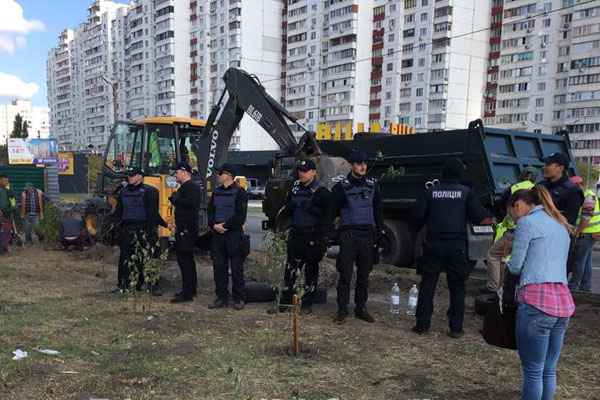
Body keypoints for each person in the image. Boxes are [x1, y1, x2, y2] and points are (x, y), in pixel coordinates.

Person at [506, 185, 575, 400]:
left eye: (512, 215)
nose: (514, 220)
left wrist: (506, 261)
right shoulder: (560, 224)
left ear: (518, 205)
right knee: (548, 369)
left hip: (536, 301)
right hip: (562, 302)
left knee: (533, 371)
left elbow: (516, 266)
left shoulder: (527, 223)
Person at [409, 158, 490, 338]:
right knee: (457, 288)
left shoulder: (430, 192)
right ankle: (456, 328)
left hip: (433, 245)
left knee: (428, 285)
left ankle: (422, 326)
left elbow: (415, 214)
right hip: (456, 247)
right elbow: (479, 216)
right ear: (460, 174)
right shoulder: (465, 193)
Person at [329, 150, 385, 325]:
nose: (363, 166)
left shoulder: (373, 186)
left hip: (367, 236)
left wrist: (380, 235)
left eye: (365, 163)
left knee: (364, 276)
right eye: (359, 163)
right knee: (345, 275)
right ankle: (342, 309)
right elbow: (330, 213)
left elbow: (378, 212)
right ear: (352, 165)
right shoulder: (341, 187)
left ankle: (360, 308)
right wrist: (329, 237)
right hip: (349, 236)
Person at [276, 159, 330, 315]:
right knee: (291, 270)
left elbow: (327, 217)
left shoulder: (321, 191)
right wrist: (289, 208)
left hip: (313, 236)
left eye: (305, 171)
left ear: (313, 172)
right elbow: (287, 207)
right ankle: (286, 301)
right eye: (300, 170)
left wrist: (324, 241)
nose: (302, 173)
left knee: (311, 272)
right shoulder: (294, 189)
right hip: (296, 234)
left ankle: (307, 303)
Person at [480, 166, 537, 294]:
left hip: (514, 231)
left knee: (493, 255)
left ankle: (494, 286)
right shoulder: (538, 190)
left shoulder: (512, 189)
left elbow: (502, 208)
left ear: (520, 176)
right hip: (534, 232)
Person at [114, 167, 167, 294]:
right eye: (129, 175)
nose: (130, 177)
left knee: (149, 258)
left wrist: (160, 226)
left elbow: (153, 214)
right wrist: (116, 230)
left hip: (144, 229)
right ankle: (124, 283)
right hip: (127, 229)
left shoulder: (150, 192)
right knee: (126, 259)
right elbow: (118, 213)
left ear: (140, 176)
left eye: (133, 175)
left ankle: (153, 285)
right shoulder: (123, 192)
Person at [207, 163, 248, 310]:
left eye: (220, 173)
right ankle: (221, 297)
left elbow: (240, 216)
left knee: (236, 268)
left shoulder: (240, 192)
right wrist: (214, 225)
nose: (218, 176)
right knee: (219, 268)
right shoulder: (216, 192)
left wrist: (225, 226)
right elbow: (210, 212)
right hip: (218, 235)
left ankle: (239, 298)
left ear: (229, 175)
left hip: (233, 235)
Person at [168, 162, 201, 303]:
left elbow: (190, 204)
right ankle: (190, 289)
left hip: (186, 229)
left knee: (185, 260)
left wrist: (175, 199)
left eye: (176, 172)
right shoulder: (187, 187)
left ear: (184, 172)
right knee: (186, 260)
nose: (175, 175)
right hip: (184, 228)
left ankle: (188, 292)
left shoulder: (190, 186)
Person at [566, 176, 599, 292]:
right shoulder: (587, 194)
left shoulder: (587, 196)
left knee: (578, 260)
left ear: (581, 186)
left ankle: (573, 286)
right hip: (590, 232)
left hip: (586, 232)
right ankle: (585, 286)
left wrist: (578, 231)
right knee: (586, 260)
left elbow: (587, 216)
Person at [538, 152, 582, 226]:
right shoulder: (539, 187)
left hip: (557, 235)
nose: (543, 167)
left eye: (548, 165)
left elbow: (568, 222)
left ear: (560, 168)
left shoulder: (573, 192)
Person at [0, 174, 14, 254]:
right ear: (0, 180)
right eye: (5, 180)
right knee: (5, 231)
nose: (7, 182)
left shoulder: (4, 189)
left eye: (7, 181)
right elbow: (4, 204)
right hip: (4, 214)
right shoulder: (1, 190)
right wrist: (9, 211)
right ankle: (2, 250)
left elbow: (12, 195)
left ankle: (3, 248)